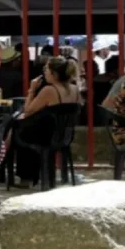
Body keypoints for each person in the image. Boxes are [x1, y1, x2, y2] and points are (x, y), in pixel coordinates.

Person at [14, 57, 80, 187]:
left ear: (54, 74)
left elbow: (28, 111)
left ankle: (25, 178)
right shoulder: (75, 90)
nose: (44, 73)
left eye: (46, 70)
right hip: (64, 137)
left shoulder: (49, 90)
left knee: (17, 129)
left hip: (47, 137)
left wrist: (32, 90)